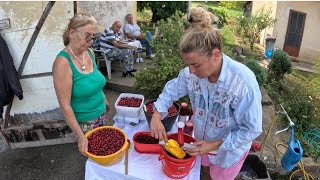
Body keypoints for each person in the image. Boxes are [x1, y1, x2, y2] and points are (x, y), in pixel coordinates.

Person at [149, 7, 263, 180]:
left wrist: (216, 144)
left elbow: (251, 129)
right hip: (202, 143)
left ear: (216, 55)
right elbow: (171, 90)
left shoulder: (242, 82)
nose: (191, 71)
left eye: (196, 65)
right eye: (188, 65)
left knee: (219, 176)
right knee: (204, 171)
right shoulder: (191, 75)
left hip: (228, 151)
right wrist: (157, 115)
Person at [52, 13, 110, 156]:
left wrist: (104, 99)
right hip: (85, 122)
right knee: (96, 157)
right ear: (72, 33)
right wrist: (80, 136)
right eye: (87, 35)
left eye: (94, 37)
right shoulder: (62, 63)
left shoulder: (89, 52)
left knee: (107, 149)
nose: (91, 41)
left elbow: (94, 81)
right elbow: (65, 105)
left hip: (102, 113)